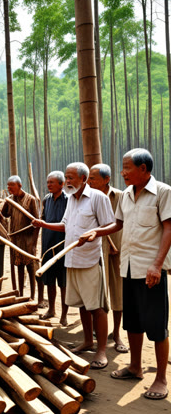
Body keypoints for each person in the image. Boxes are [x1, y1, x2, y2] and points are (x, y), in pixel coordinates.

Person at [81, 149, 171, 399]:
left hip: (151, 270)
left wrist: (157, 264)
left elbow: (168, 229)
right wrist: (96, 233)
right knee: (133, 322)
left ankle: (161, 378)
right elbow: (118, 224)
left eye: (127, 167)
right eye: (123, 167)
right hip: (128, 268)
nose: (123, 172)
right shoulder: (126, 196)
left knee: (156, 326)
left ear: (143, 169)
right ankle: (134, 367)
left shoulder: (163, 192)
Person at [33, 162, 115, 369]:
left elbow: (111, 225)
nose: (67, 182)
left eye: (71, 178)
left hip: (89, 260)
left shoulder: (98, 198)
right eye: (67, 178)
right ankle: (87, 341)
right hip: (71, 259)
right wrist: (43, 224)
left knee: (96, 306)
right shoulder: (71, 200)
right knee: (81, 305)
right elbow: (65, 226)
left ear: (84, 179)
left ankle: (101, 350)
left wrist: (95, 233)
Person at [88, 163, 127, 353]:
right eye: (88, 178)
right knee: (97, 293)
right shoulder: (88, 198)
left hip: (118, 249)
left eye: (93, 178)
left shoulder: (120, 196)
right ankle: (97, 332)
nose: (89, 181)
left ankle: (117, 333)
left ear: (106, 180)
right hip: (96, 250)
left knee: (118, 292)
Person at [2, 175, 39, 299]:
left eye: (12, 185)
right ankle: (21, 294)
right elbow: (5, 215)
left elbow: (37, 223)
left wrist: (34, 243)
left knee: (30, 266)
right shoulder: (11, 199)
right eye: (8, 186)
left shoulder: (30, 199)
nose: (10, 188)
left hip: (27, 239)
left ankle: (33, 295)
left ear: (20, 185)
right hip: (15, 239)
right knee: (19, 266)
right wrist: (6, 202)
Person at [39, 171, 68, 326]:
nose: (49, 185)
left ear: (61, 184)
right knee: (49, 280)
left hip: (63, 246)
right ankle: (51, 309)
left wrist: (43, 224)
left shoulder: (68, 200)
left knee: (63, 282)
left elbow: (67, 225)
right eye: (48, 182)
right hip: (47, 246)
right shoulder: (46, 200)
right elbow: (43, 219)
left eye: (52, 182)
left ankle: (64, 314)